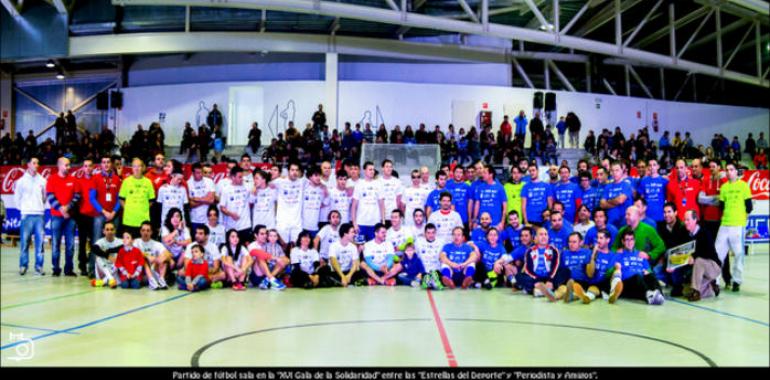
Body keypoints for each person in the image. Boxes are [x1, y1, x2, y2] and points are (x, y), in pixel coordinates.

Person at [716, 163, 753, 292]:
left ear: (737, 172)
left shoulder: (744, 186)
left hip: (738, 226)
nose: (728, 172)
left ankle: (736, 280)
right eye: (727, 170)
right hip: (724, 225)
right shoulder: (724, 187)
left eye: (731, 170)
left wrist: (742, 218)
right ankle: (715, 281)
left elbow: (749, 206)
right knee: (718, 254)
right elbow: (721, 206)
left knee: (738, 254)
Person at [47, 157, 81, 277]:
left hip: (70, 217)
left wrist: (68, 207)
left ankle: (68, 269)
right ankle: (56, 268)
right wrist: (62, 209)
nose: (69, 167)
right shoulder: (52, 179)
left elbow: (77, 196)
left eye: (69, 165)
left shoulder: (73, 179)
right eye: (66, 165)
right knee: (55, 244)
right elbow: (50, 197)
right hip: (56, 216)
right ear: (59, 165)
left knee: (70, 245)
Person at [612, 230, 666, 305]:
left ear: (634, 241)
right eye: (627, 240)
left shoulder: (641, 254)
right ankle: (649, 296)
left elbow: (647, 270)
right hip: (627, 284)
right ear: (623, 242)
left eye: (631, 239)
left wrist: (648, 273)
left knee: (651, 275)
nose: (629, 242)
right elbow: (613, 270)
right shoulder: (618, 254)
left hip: (640, 283)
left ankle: (659, 295)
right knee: (637, 276)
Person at [515, 227, 569, 301]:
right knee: (519, 276)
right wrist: (537, 280)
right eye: (541, 234)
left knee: (565, 271)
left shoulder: (553, 250)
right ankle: (551, 290)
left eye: (545, 234)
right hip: (536, 278)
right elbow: (528, 268)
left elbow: (555, 266)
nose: (544, 236)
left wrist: (550, 280)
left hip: (549, 277)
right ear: (535, 238)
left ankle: (538, 291)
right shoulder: (530, 251)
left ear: (548, 237)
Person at [15, 157, 47, 275]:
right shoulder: (21, 181)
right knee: (24, 242)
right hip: (26, 215)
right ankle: (23, 266)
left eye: (38, 163)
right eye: (34, 163)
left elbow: (44, 197)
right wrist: (24, 209)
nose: (36, 165)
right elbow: (17, 199)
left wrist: (38, 207)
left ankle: (39, 266)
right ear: (28, 164)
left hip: (39, 215)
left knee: (40, 244)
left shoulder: (43, 180)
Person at [680, 210, 722, 301]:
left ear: (695, 220)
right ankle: (711, 287)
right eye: (685, 220)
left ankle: (696, 292)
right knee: (685, 292)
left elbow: (708, 252)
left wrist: (693, 257)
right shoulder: (685, 233)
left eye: (688, 220)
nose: (685, 222)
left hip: (713, 266)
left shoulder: (704, 233)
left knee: (699, 260)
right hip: (700, 269)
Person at [582, 230, 623, 304]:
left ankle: (613, 294)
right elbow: (590, 274)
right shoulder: (591, 253)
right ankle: (587, 297)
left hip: (606, 282)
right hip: (595, 282)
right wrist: (593, 255)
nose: (598, 240)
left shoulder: (613, 255)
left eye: (601, 238)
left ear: (608, 240)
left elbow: (609, 272)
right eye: (597, 238)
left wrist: (616, 268)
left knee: (617, 269)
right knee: (592, 289)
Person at [119, 158, 155, 238]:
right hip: (129, 220)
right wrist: (128, 208)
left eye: (139, 166)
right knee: (129, 245)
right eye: (134, 166)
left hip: (143, 221)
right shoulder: (126, 181)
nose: (136, 168)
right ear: (131, 168)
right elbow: (121, 199)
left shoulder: (148, 182)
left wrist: (143, 208)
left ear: (143, 168)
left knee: (142, 246)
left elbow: (151, 200)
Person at [271, 162, 306, 244]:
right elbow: (265, 184)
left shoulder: (303, 182)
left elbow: (317, 182)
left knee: (295, 246)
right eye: (292, 170)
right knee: (284, 246)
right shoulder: (280, 181)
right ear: (288, 171)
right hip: (283, 222)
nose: (294, 172)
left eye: (297, 170)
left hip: (296, 222)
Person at [351, 162, 385, 243]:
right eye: (370, 169)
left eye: (373, 169)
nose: (372, 171)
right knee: (359, 246)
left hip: (375, 223)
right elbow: (354, 206)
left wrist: (383, 221)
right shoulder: (359, 184)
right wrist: (354, 223)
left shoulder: (379, 184)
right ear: (364, 171)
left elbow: (382, 205)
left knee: (374, 247)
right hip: (361, 222)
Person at [91, 156, 122, 243]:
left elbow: (119, 199)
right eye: (104, 162)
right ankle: (96, 257)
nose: (106, 164)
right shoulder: (95, 178)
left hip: (114, 215)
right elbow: (92, 198)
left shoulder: (116, 179)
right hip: (99, 215)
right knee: (97, 241)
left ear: (111, 164)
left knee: (114, 241)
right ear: (101, 164)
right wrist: (104, 212)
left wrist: (113, 212)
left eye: (108, 162)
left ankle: (112, 257)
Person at [133, 221, 172, 289]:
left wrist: (159, 259)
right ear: (140, 232)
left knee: (165, 259)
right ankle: (152, 282)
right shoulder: (136, 242)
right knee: (143, 259)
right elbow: (134, 254)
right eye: (143, 230)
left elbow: (168, 254)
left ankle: (161, 281)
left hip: (154, 270)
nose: (145, 233)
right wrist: (148, 257)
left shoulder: (157, 244)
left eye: (148, 231)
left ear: (151, 232)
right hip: (140, 272)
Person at [219, 166, 252, 244]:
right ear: (233, 177)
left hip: (245, 225)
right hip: (231, 227)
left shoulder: (247, 186)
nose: (242, 179)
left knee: (247, 249)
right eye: (239, 177)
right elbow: (222, 208)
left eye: (242, 177)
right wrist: (231, 214)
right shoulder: (226, 189)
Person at [472, 164, 507, 231]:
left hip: (495, 223)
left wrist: (502, 222)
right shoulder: (480, 187)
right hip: (482, 223)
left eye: (485, 173)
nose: (483, 175)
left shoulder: (500, 187)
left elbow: (505, 207)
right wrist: (475, 220)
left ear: (491, 174)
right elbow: (477, 204)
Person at [561, 232, 594, 304]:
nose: (571, 244)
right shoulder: (564, 253)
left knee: (576, 286)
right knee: (562, 288)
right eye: (569, 242)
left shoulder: (588, 253)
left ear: (581, 242)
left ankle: (573, 295)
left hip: (582, 281)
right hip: (568, 280)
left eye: (574, 242)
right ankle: (558, 295)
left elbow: (591, 270)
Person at [327, 223, 364, 287]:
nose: (354, 234)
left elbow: (355, 264)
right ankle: (344, 282)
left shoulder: (353, 247)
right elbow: (333, 262)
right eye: (352, 232)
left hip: (348, 272)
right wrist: (342, 276)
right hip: (337, 272)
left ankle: (346, 282)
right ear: (345, 234)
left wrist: (349, 275)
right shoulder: (333, 246)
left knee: (361, 274)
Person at [600, 161, 634, 228]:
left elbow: (620, 200)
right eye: (612, 170)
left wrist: (608, 201)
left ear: (622, 171)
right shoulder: (607, 187)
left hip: (624, 221)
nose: (615, 173)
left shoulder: (626, 185)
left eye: (617, 170)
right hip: (610, 222)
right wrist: (615, 201)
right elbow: (602, 205)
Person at [90, 222, 122, 288]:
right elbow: (94, 249)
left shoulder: (120, 241)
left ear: (115, 231)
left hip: (114, 270)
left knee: (120, 258)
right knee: (98, 257)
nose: (110, 232)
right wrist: (108, 256)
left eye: (111, 229)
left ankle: (103, 281)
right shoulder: (100, 241)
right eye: (107, 230)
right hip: (103, 269)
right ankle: (110, 279)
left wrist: (108, 251)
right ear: (103, 231)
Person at [415, 223, 446, 290]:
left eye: (433, 233)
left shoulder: (441, 242)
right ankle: (429, 281)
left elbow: (444, 256)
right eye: (428, 233)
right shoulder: (419, 241)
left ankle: (433, 280)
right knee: (424, 278)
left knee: (437, 275)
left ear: (436, 233)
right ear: (425, 234)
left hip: (436, 270)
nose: (431, 235)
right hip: (424, 271)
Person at [161, 208, 192, 272]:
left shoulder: (184, 229)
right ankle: (169, 272)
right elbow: (166, 240)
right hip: (168, 254)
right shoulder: (165, 228)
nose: (175, 219)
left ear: (181, 218)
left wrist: (176, 242)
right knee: (164, 254)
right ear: (169, 218)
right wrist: (177, 230)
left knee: (187, 251)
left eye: (177, 216)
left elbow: (189, 242)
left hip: (179, 254)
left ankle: (177, 271)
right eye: (172, 216)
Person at [301, 166, 328, 238]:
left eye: (319, 175)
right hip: (302, 226)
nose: (318, 178)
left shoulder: (322, 189)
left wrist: (325, 191)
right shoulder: (304, 187)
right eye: (316, 175)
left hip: (315, 226)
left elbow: (325, 203)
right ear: (310, 177)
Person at [188, 162, 216, 232]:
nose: (200, 175)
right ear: (193, 173)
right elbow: (191, 204)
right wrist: (205, 199)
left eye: (201, 172)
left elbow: (212, 200)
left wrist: (197, 199)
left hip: (208, 218)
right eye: (197, 173)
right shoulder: (188, 183)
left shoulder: (209, 181)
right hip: (194, 219)